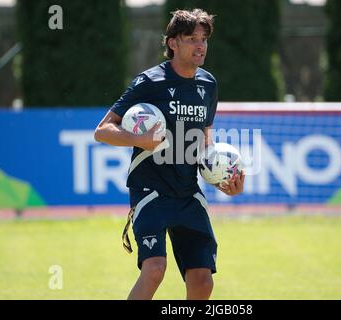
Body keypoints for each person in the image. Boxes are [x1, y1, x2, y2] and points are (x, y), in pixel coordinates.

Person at [94, 9, 245, 300]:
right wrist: (140, 140)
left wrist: (221, 179)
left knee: (202, 281)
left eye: (203, 39)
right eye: (191, 39)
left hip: (188, 192)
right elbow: (102, 130)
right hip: (150, 191)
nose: (200, 45)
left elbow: (205, 143)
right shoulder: (150, 82)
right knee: (154, 269)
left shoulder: (208, 84)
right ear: (173, 43)